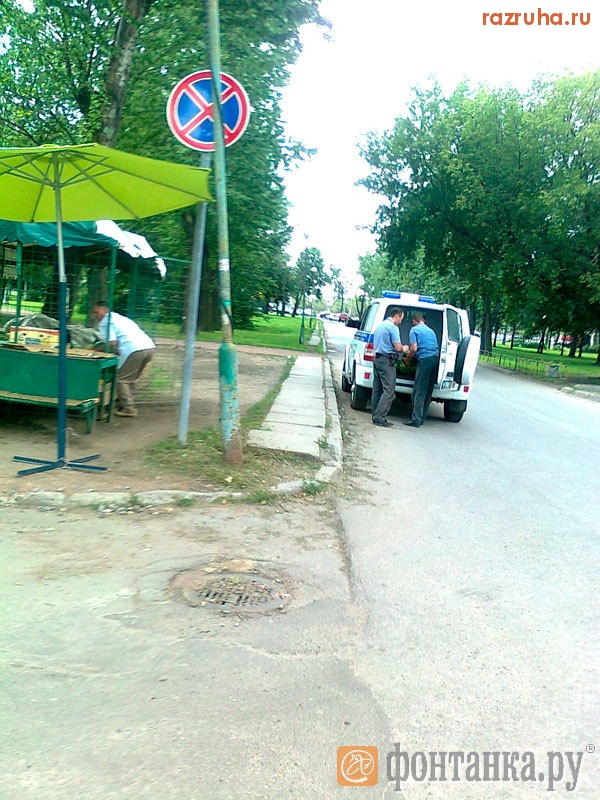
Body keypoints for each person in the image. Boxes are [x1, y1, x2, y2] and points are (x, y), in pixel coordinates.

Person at [92, 302, 155, 418]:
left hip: (134, 349)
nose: (95, 315)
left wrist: (94, 349)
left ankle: (129, 409)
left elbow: (112, 342)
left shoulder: (106, 321)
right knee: (132, 378)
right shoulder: (120, 318)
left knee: (121, 379)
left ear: (105, 310)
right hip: (148, 347)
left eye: (96, 312)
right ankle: (125, 404)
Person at [371, 306, 408, 428]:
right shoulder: (393, 328)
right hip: (387, 361)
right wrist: (405, 349)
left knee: (377, 389)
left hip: (377, 359)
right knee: (389, 391)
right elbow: (397, 347)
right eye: (400, 319)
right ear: (396, 316)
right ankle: (380, 417)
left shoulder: (380, 326)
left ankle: (375, 415)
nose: (401, 322)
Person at [403, 311, 440, 428]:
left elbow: (414, 349)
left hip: (424, 361)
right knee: (428, 391)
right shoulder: (431, 331)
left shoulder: (414, 330)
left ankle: (416, 419)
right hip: (435, 360)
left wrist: (407, 360)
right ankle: (422, 417)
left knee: (419, 391)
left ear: (414, 321)